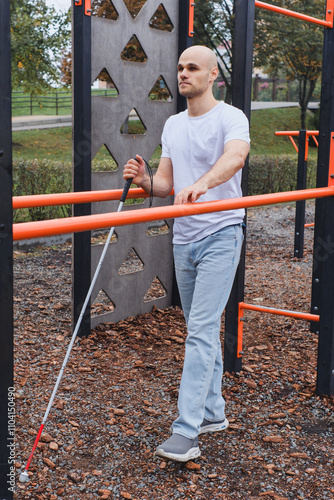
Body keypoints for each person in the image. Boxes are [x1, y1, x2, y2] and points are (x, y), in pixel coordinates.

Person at [123, 45, 250, 462]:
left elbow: (235, 157)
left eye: (192, 67)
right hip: (184, 238)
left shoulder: (231, 117)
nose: (183, 73)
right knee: (201, 327)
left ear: (212, 75)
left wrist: (205, 185)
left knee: (198, 330)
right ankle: (213, 412)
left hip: (221, 231)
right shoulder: (174, 124)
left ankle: (187, 431)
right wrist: (144, 179)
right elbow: (165, 184)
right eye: (179, 67)